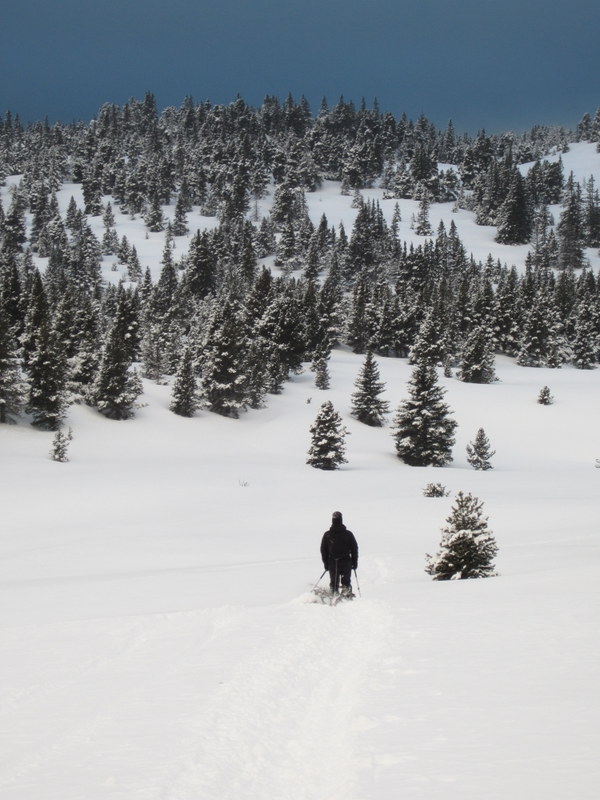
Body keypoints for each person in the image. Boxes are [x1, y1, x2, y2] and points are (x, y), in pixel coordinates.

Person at [320, 511, 359, 595]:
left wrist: (326, 563)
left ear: (332, 520)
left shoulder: (327, 534)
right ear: (341, 520)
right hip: (346, 562)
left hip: (333, 562)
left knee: (334, 585)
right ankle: (346, 598)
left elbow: (323, 550)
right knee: (346, 584)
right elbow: (354, 549)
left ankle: (333, 598)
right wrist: (354, 562)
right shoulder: (348, 534)